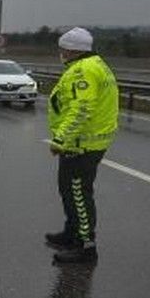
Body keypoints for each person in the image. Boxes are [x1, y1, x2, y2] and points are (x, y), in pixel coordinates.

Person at [44, 27, 118, 264]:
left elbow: (80, 110)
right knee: (69, 190)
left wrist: (60, 139)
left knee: (78, 193)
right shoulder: (97, 65)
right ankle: (71, 233)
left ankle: (86, 245)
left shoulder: (82, 72)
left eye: (63, 49)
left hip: (81, 144)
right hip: (86, 142)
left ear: (72, 49)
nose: (61, 53)